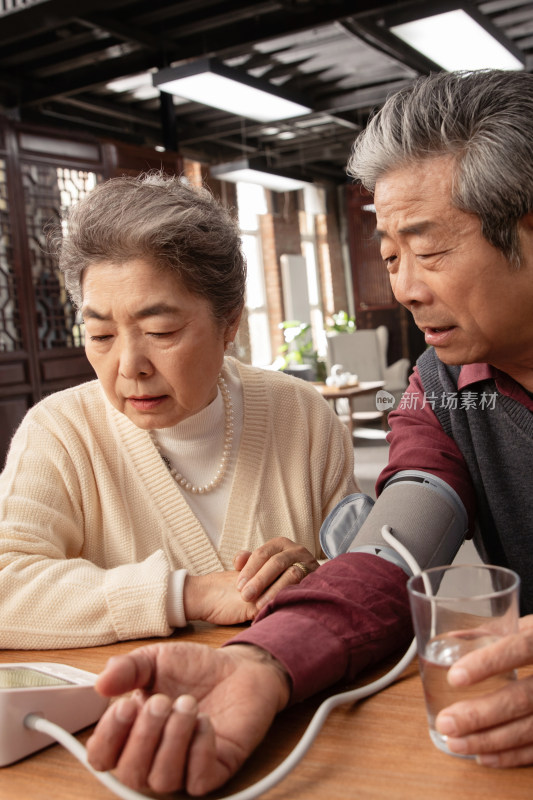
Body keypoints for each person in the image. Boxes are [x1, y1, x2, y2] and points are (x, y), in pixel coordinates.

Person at [85, 68, 533, 796]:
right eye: (390, 255)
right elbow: (395, 547)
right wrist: (261, 661)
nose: (403, 288)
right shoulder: (441, 386)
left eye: (429, 249)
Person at [0, 173, 357, 649]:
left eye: (162, 331)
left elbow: (370, 577)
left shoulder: (302, 415)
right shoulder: (62, 432)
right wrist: (185, 594)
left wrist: (318, 577)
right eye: (101, 336)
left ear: (230, 323)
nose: (129, 367)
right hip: (130, 712)